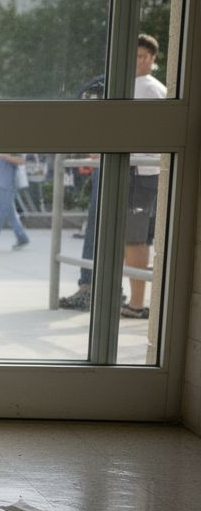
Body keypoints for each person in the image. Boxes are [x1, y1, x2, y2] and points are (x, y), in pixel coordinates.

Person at [61, 34, 167, 318]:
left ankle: (135, 303)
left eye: (147, 56)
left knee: (133, 239)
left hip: (137, 171)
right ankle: (117, 295)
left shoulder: (151, 90)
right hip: (130, 168)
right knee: (124, 237)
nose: (142, 61)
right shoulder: (124, 85)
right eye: (136, 55)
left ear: (153, 59)